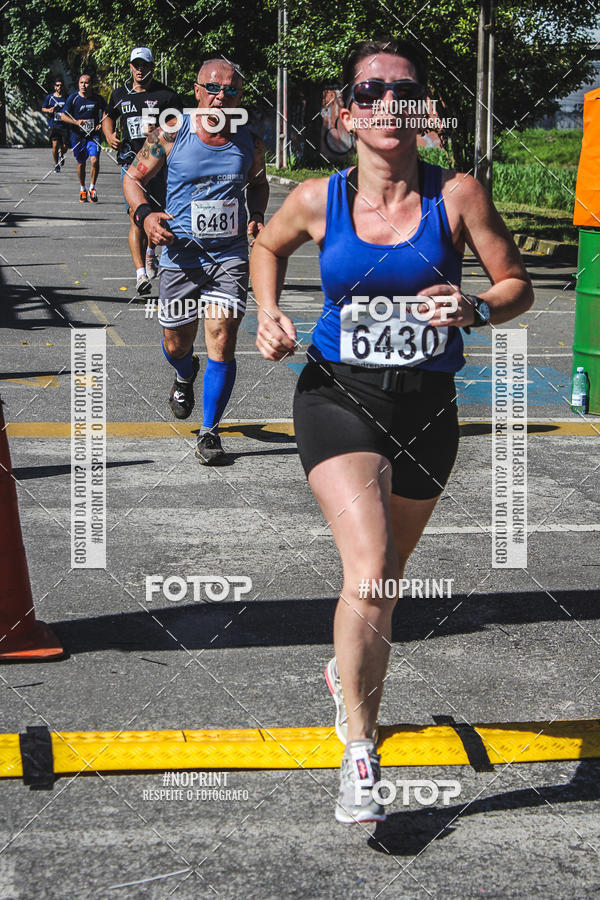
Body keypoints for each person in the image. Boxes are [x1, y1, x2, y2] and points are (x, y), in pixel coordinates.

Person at [251, 37, 533, 823]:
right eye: (369, 91)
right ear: (345, 112)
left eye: (403, 92)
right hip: (337, 395)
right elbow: (266, 246)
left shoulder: (458, 196)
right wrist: (268, 312)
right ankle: (361, 752)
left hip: (428, 409)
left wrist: (478, 306)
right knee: (371, 566)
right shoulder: (318, 198)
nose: (387, 105)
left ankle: (347, 669)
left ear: (424, 111)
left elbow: (519, 285)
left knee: (385, 582)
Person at [123, 58, 268, 463]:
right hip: (179, 256)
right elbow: (133, 178)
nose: (222, 96)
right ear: (197, 89)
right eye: (214, 88)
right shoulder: (171, 130)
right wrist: (145, 216)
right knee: (176, 342)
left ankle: (209, 431)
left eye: (232, 90)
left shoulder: (249, 140)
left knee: (222, 337)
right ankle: (185, 372)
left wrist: (256, 215)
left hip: (229, 256)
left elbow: (258, 184)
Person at [103, 47, 183, 295]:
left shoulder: (167, 96)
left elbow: (181, 126)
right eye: (135, 65)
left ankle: (151, 253)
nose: (139, 69)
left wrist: (162, 134)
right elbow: (108, 116)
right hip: (131, 163)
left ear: (152, 67)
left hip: (157, 164)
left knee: (157, 215)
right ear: (130, 67)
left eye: (144, 65)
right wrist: (109, 134)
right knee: (136, 216)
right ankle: (140, 275)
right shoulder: (120, 94)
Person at [61, 73, 106, 202]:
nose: (84, 86)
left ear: (91, 84)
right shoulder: (73, 99)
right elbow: (63, 116)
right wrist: (76, 122)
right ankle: (82, 188)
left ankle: (92, 188)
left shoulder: (97, 99)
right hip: (78, 136)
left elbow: (107, 110)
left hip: (93, 135)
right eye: (81, 83)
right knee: (81, 163)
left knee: (94, 160)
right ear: (78, 84)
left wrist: (101, 123)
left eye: (86, 83)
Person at [41, 77, 69, 173]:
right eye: (57, 85)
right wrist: (49, 110)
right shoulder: (50, 97)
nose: (59, 87)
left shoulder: (66, 97)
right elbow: (43, 108)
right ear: (54, 87)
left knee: (65, 146)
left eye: (61, 85)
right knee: (55, 145)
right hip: (54, 125)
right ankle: (56, 164)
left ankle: (61, 154)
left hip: (64, 125)